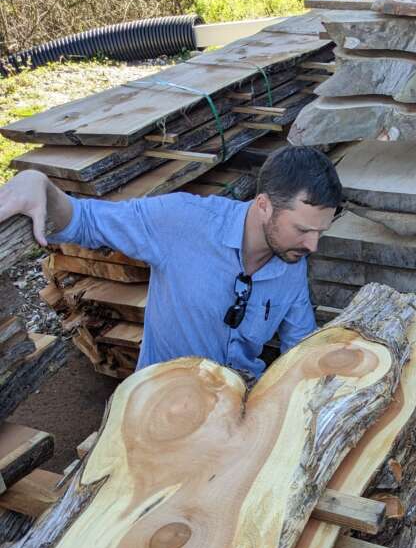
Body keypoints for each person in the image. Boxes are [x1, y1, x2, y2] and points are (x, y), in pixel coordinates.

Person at [0, 146, 342, 377]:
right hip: (163, 401)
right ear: (264, 205)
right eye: (302, 230)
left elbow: (301, 350)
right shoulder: (182, 220)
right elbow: (86, 220)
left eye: (320, 232)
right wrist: (40, 185)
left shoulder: (293, 262)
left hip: (240, 405)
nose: (312, 245)